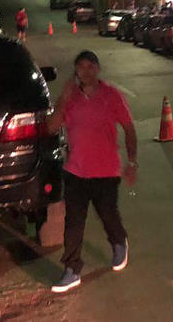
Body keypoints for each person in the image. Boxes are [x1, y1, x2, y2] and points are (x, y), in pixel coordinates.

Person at [48, 50, 137, 294]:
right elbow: (51, 128)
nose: (85, 71)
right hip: (76, 172)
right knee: (74, 223)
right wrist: (63, 100)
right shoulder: (71, 98)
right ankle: (72, 269)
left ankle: (119, 242)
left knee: (108, 214)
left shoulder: (112, 96)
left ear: (97, 69)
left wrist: (132, 162)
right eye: (80, 67)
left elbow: (129, 128)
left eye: (90, 66)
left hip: (106, 171)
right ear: (75, 71)